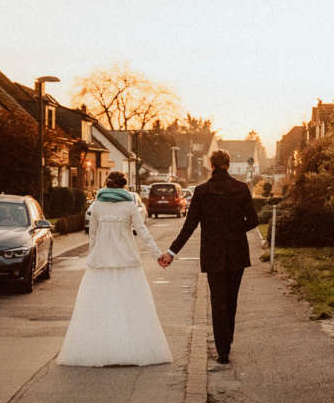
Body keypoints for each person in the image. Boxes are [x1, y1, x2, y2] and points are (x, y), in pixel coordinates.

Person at [56, 171, 172, 367]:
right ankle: (130, 348)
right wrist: (157, 254)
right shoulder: (129, 205)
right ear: (123, 187)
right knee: (130, 305)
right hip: (127, 261)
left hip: (101, 262)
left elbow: (92, 235)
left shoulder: (97, 206)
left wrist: (94, 256)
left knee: (99, 306)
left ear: (107, 185)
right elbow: (142, 231)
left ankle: (98, 348)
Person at [159, 150, 259, 364]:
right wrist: (235, 229)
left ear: (211, 166)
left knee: (217, 300)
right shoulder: (241, 189)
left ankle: (222, 350)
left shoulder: (202, 191)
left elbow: (190, 226)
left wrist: (172, 252)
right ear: (228, 165)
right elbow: (253, 220)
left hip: (213, 253)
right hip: (237, 252)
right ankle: (228, 340)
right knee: (231, 299)